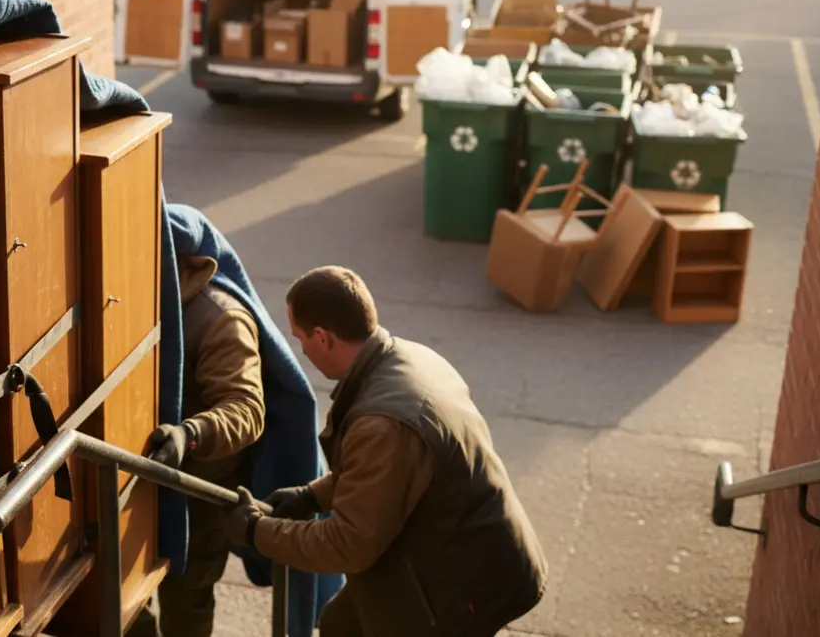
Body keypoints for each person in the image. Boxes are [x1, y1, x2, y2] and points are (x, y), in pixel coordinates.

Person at [223, 265, 548, 636]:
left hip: (461, 587)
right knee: (339, 627)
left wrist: (257, 532)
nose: (303, 351)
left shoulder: (382, 423)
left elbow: (348, 544)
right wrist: (310, 496)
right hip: (456, 550)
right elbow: (384, 476)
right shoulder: (408, 358)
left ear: (323, 337)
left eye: (301, 340)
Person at [129, 250, 267, 637]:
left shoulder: (219, 317)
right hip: (130, 492)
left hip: (195, 500)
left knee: (187, 606)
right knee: (123, 609)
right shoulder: (129, 297)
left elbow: (246, 409)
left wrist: (189, 435)